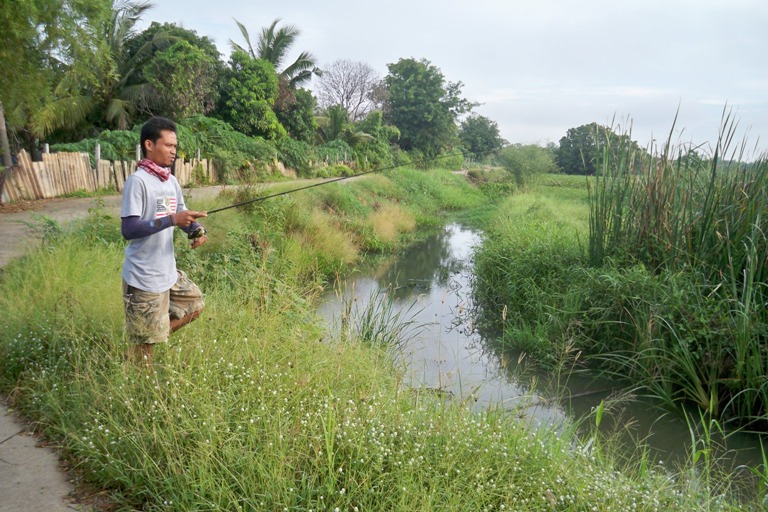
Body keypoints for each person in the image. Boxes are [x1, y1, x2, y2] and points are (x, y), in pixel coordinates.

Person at [121, 116, 208, 364]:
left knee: (196, 304)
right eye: (168, 145)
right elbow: (128, 228)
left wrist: (196, 229)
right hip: (144, 277)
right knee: (144, 358)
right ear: (149, 144)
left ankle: (153, 336)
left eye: (175, 146)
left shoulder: (171, 181)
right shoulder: (137, 182)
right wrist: (172, 220)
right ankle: (140, 359)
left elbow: (182, 212)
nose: (174, 150)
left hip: (167, 271)